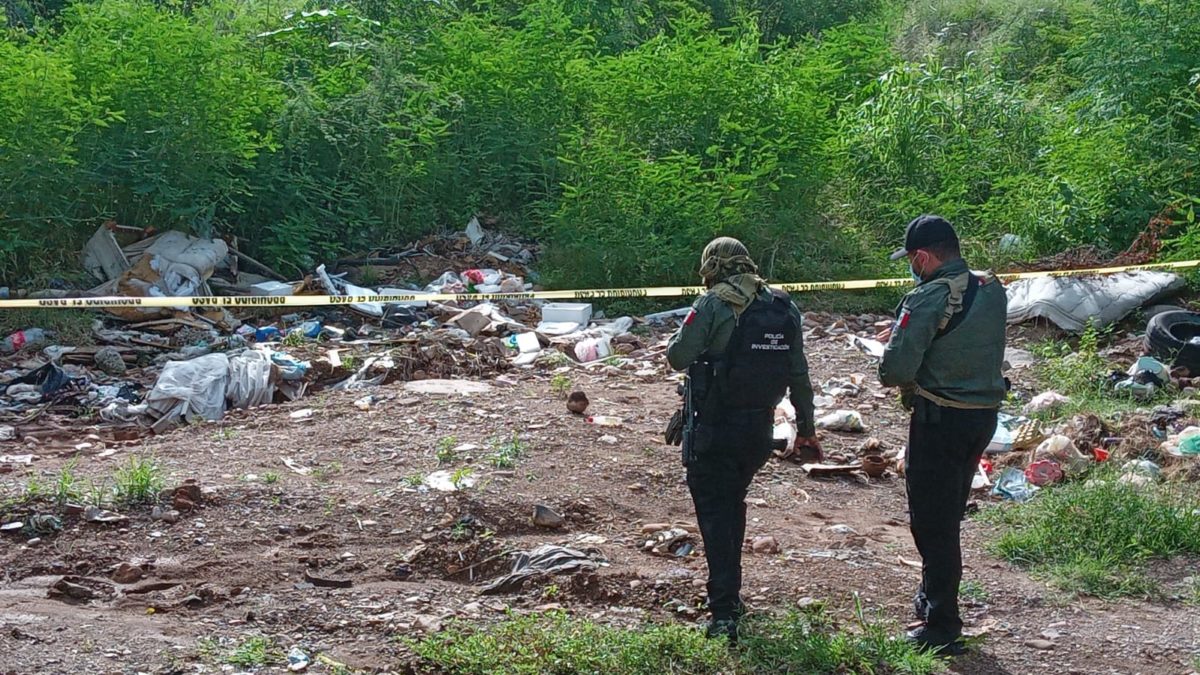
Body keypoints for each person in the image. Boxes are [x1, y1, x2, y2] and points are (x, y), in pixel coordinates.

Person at [666, 236, 821, 641]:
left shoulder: (715, 303)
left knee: (716, 514)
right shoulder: (782, 305)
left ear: (713, 266)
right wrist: (806, 428)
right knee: (732, 505)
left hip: (715, 427)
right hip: (758, 430)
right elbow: (798, 373)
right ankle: (730, 595)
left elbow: (679, 356)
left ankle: (724, 612)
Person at [876, 215, 1007, 654]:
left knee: (932, 522)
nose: (912, 267)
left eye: (912, 259)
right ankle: (932, 595)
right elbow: (963, 340)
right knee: (948, 512)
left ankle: (942, 623)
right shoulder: (990, 287)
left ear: (924, 257)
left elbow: (893, 371)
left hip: (940, 419)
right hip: (982, 416)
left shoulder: (930, 296)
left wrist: (901, 334)